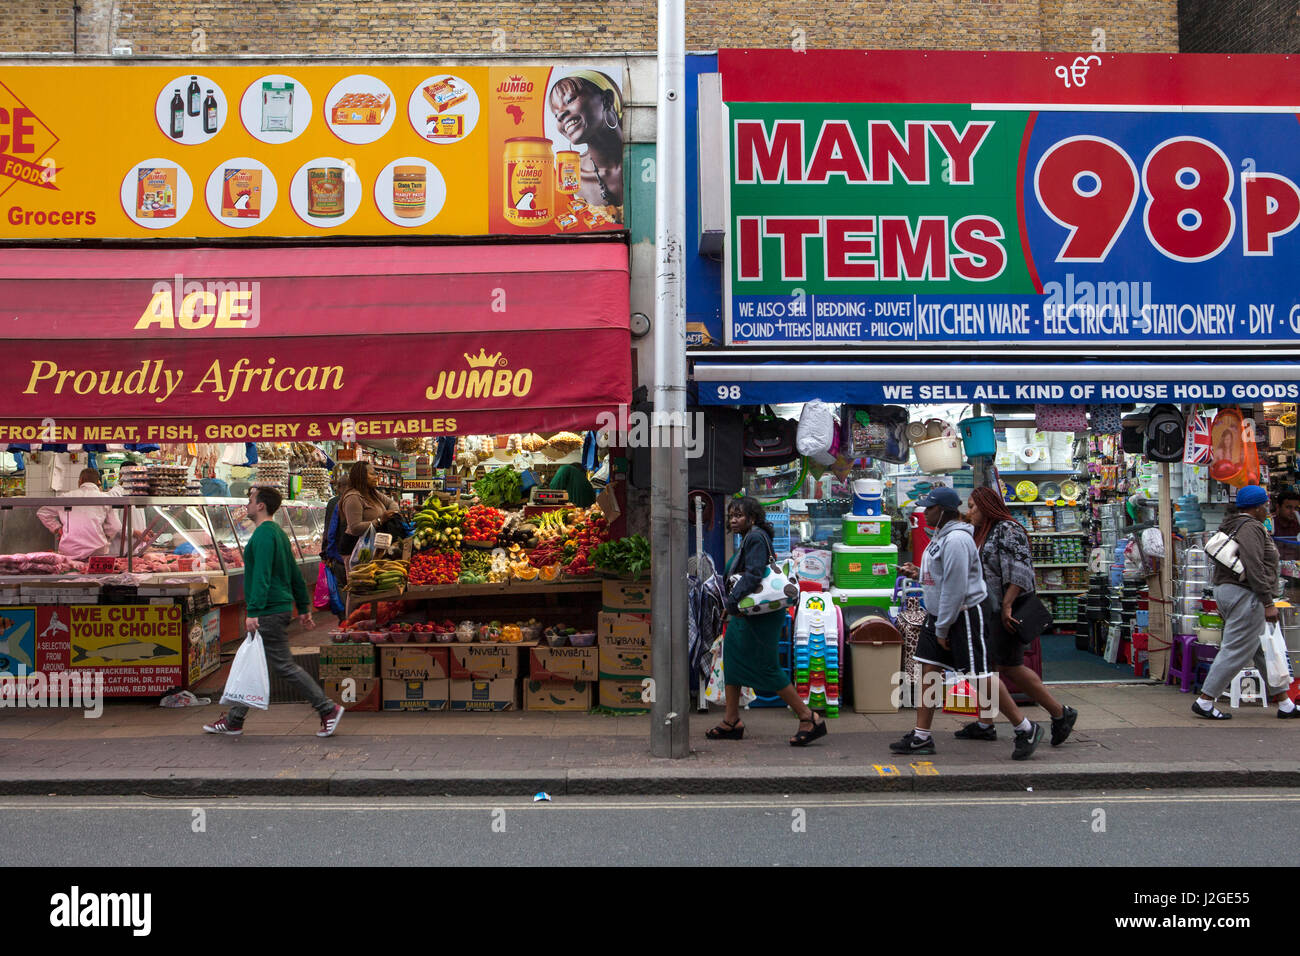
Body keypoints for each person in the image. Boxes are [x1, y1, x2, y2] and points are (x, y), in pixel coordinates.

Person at [204, 486, 344, 737]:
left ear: (261, 506)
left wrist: (254, 611)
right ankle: (234, 720)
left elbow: (262, 576)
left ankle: (327, 708)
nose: (246, 505)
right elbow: (293, 573)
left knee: (283, 665)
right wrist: (303, 607)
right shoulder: (277, 533)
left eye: (250, 501)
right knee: (256, 663)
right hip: (277, 608)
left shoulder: (264, 536)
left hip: (268, 609)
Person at [892, 487, 1017, 757]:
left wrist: (943, 627)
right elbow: (941, 577)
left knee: (979, 675)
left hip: (963, 613)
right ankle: (921, 736)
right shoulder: (940, 536)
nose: (925, 513)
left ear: (945, 511)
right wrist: (918, 574)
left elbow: (955, 587)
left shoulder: (957, 540)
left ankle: (1024, 727)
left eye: (930, 508)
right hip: (940, 614)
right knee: (928, 671)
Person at [706, 496, 828, 746]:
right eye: (731, 516)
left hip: (759, 616)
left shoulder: (754, 537)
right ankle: (732, 720)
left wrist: (731, 604)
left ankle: (809, 717)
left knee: (766, 666)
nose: (733, 520)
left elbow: (752, 575)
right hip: (747, 614)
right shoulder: (749, 538)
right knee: (732, 659)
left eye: (739, 515)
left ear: (752, 518)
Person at [963, 486, 1077, 752]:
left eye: (972, 506)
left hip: (1008, 610)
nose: (969, 512)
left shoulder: (1007, 529)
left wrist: (1007, 605)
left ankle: (1060, 712)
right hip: (990, 609)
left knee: (1007, 666)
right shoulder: (985, 531)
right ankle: (985, 724)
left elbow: (1020, 570)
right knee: (991, 667)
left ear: (986, 505)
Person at [1194, 485, 1300, 720]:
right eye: (1265, 505)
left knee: (1262, 648)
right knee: (1236, 648)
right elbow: (1254, 565)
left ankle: (1284, 703)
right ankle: (1205, 699)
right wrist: (1267, 600)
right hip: (1245, 594)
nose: (1267, 510)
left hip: (1230, 591)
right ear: (1259, 506)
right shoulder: (1251, 527)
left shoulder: (1232, 523)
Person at [548, 70, 624, 214]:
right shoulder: (571, 178)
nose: (560, 116)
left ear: (607, 99)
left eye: (570, 100)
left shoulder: (647, 162)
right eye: (556, 114)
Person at [36, 468, 122, 560]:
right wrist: (106, 536)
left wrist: (57, 528)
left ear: (80, 481)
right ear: (98, 482)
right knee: (97, 574)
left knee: (71, 573)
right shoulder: (106, 498)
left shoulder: (67, 497)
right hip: (97, 551)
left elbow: (43, 512)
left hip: (70, 552)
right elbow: (115, 526)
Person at [338, 461, 399, 559]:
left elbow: (393, 504)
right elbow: (355, 528)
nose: (376, 477)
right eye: (372, 474)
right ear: (361, 476)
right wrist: (379, 521)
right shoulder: (353, 497)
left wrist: (391, 513)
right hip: (356, 549)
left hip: (373, 545)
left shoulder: (373, 493)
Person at [1272, 490, 1300, 561]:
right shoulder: (1270, 524)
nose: (1293, 511)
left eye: (1296, 508)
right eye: (1289, 507)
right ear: (1278, 507)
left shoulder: (1298, 525)